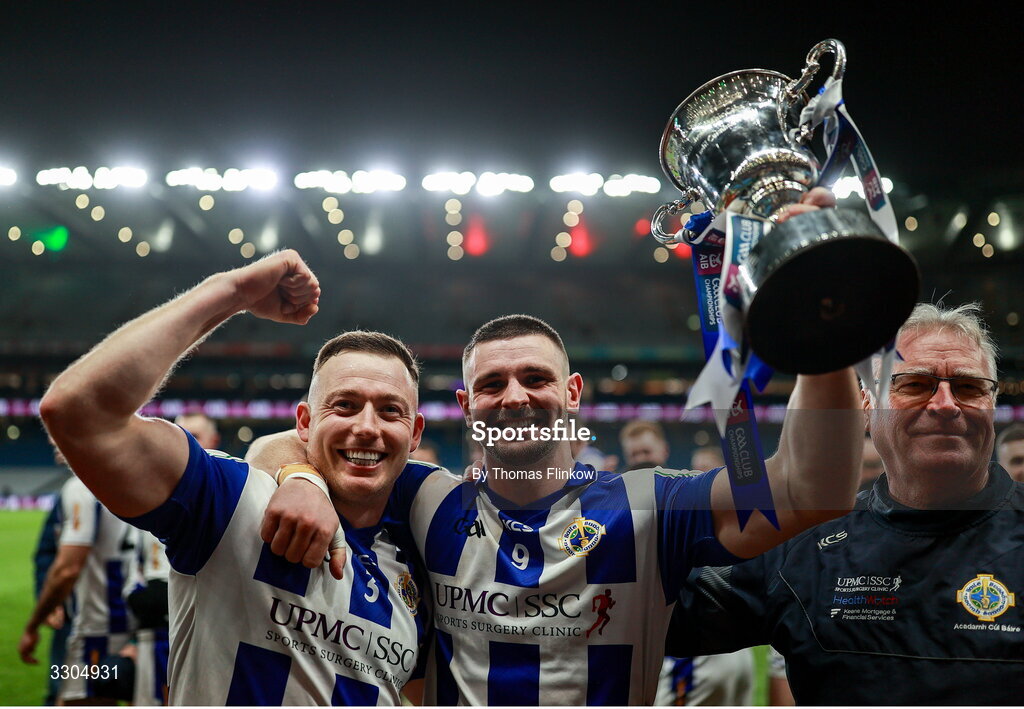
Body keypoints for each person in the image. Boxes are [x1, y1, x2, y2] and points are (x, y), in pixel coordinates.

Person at [254, 205, 865, 703]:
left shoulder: (647, 506)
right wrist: (302, 476)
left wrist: (822, 320)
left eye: (535, 378)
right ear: (468, 405)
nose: (515, 397)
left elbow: (811, 491)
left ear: (571, 394)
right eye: (492, 385)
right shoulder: (425, 497)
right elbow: (292, 445)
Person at [38, 251, 427, 705]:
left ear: (415, 432)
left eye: (390, 410)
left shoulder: (421, 550)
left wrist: (303, 474)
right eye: (343, 405)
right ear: (303, 423)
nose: (366, 426)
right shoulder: (232, 503)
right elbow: (78, 413)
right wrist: (230, 292)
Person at [666, 302, 1024, 704]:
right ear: (866, 407)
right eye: (916, 385)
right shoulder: (805, 543)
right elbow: (655, 619)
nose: (945, 404)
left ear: (992, 405)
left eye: (969, 387)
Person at [620, 421, 755, 706]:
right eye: (634, 455)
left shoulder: (687, 496)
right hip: (697, 640)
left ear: (664, 450)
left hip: (700, 644)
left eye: (647, 451)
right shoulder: (626, 504)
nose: (642, 460)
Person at [19, 443, 134, 705]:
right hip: (129, 624)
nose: (55, 446)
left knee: (75, 699)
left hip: (96, 628)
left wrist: (32, 625)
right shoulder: (137, 483)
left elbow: (66, 568)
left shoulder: (82, 487)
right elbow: (47, 554)